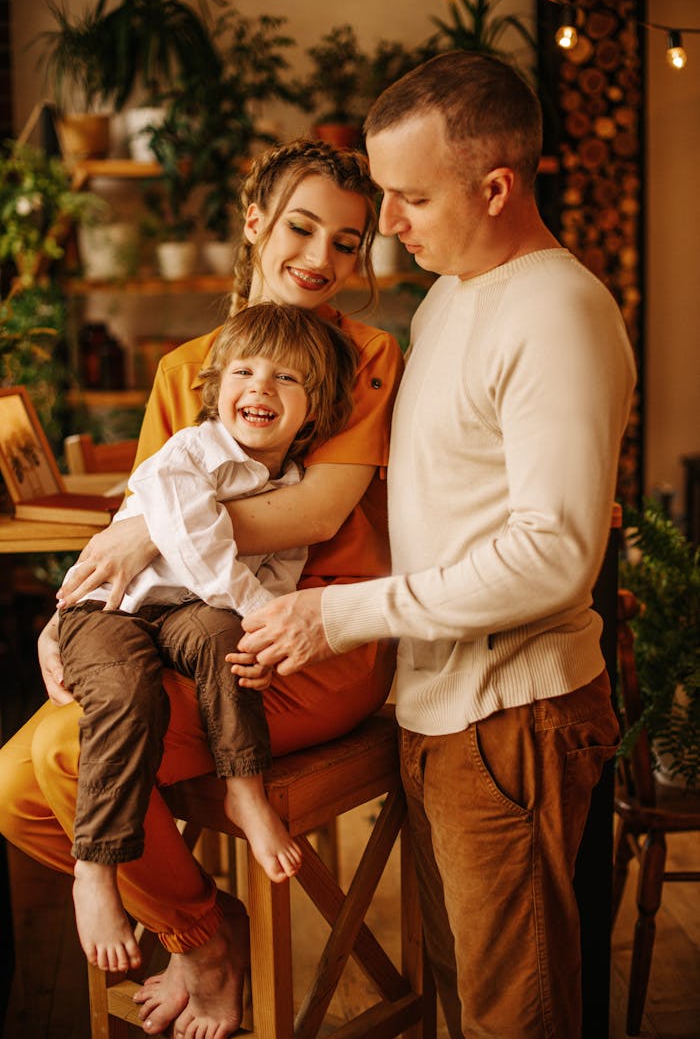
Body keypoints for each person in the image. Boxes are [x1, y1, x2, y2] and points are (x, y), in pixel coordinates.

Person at [237, 52, 638, 1039]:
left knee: (516, 1015)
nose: (388, 223)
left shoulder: (558, 309)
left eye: (409, 195)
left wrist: (335, 615)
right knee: (465, 999)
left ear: (495, 186)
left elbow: (553, 551)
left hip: (511, 714)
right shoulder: (450, 293)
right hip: (438, 711)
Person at [0, 139, 403, 1039]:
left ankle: (199, 938)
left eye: (348, 241)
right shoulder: (187, 368)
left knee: (65, 756)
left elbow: (314, 509)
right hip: (185, 632)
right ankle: (206, 915)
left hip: (308, 641)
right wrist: (71, 614)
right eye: (302, 227)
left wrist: (149, 525)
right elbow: (144, 524)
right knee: (11, 789)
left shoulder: (368, 356)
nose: (321, 259)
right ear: (256, 222)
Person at [58, 300, 358, 973]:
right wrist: (262, 615)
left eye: (287, 378)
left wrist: (269, 630)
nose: (259, 386)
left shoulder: (295, 484)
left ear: (316, 409)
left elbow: (280, 575)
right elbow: (198, 548)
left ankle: (244, 788)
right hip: (110, 610)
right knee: (131, 692)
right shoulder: (191, 452)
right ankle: (96, 866)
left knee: (232, 636)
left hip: (187, 619)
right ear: (216, 387)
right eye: (244, 371)